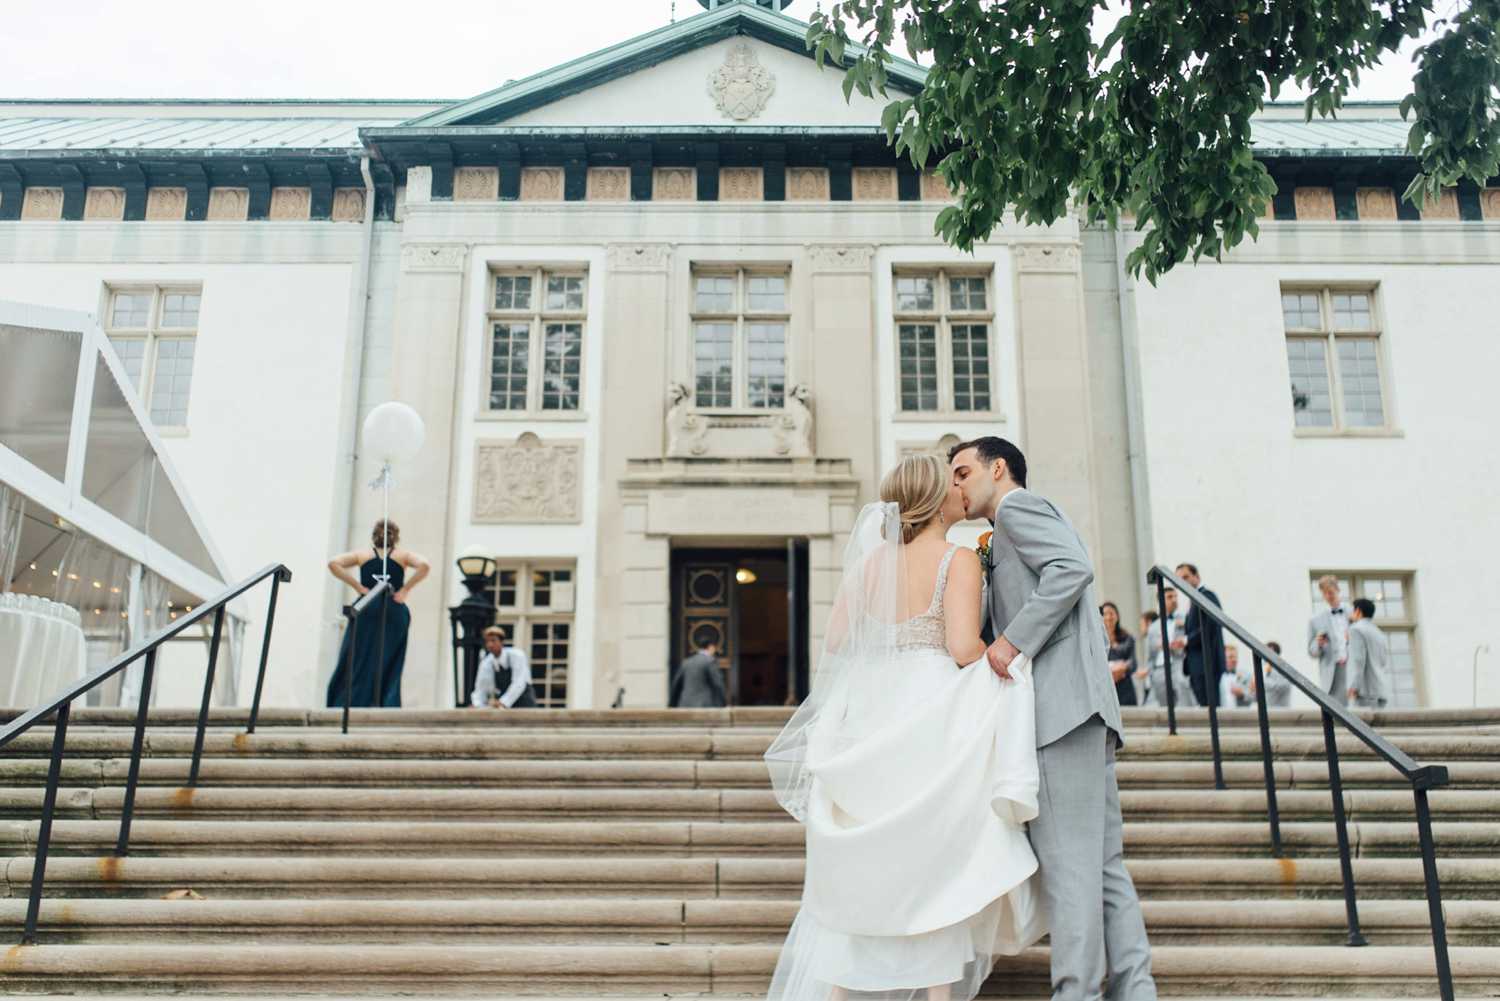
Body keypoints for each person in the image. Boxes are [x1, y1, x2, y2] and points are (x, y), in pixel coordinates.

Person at [763, 454, 1045, 1001]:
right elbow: (964, 647)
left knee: (871, 860)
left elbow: (841, 641)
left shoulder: (869, 565)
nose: (963, 489)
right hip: (930, 711)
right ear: (936, 499)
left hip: (871, 713)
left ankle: (842, 991)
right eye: (953, 483)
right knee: (932, 858)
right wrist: (1014, 658)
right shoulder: (957, 559)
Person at [951, 437, 1156, 1001]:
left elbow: (1072, 569)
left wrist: (1012, 642)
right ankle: (1136, 989)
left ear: (998, 468)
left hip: (1060, 714)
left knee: (1071, 872)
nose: (957, 486)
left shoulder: (1017, 507)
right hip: (1081, 710)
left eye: (964, 472)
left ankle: (1077, 993)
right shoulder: (1008, 526)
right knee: (1104, 867)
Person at [325, 519, 429, 708]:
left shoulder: (362, 555)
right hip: (390, 608)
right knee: (388, 658)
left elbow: (334, 563)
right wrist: (405, 590)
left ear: (374, 535)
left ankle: (354, 701)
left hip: (368, 607)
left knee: (358, 656)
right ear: (395, 536)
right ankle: (383, 702)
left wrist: (358, 586)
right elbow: (424, 565)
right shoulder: (402, 555)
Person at [1176, 563, 1226, 709]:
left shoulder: (1206, 595)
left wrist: (1186, 640)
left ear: (1196, 577)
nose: (1182, 582)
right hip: (1197, 664)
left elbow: (1210, 626)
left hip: (1207, 663)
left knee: (1211, 707)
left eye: (1186, 577)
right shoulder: (1192, 601)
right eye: (1178, 579)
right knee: (1204, 706)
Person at [1143, 588, 1193, 709]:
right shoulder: (1153, 627)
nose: (1174, 600)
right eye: (1170, 597)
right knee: (1164, 706)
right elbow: (1151, 655)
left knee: (1184, 702)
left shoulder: (1186, 619)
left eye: (1175, 597)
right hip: (1159, 668)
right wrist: (1150, 674)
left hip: (1179, 664)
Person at [1308, 575, 1351, 707]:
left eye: (1331, 592)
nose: (1329, 596)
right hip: (1332, 672)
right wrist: (1318, 644)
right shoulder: (1315, 620)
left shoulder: (1353, 613)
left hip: (1353, 667)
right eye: (1325, 593)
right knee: (1337, 712)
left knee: (1358, 713)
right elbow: (1311, 651)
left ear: (1338, 590)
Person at [470, 626, 538, 709]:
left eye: (493, 640)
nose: (490, 644)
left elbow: (519, 683)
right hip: (505, 707)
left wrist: (503, 702)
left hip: (525, 703)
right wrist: (477, 704)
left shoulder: (517, 655)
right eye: (487, 641)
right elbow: (481, 688)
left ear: (501, 641)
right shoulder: (486, 663)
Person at [1347, 599, 1393, 709]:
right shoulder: (1379, 632)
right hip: (1381, 690)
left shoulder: (1355, 630)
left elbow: (1358, 660)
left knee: (1359, 725)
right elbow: (1383, 661)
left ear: (1358, 611)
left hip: (1365, 692)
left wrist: (1353, 686)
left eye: (1352, 611)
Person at [1101, 601, 1138, 707]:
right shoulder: (1096, 641)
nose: (1108, 617)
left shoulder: (1127, 638)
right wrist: (1109, 671)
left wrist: (1122, 667)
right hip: (1105, 689)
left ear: (1117, 616)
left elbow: (1133, 663)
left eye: (1111, 613)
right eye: (1105, 614)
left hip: (1125, 688)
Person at [670, 641, 727, 709]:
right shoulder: (710, 661)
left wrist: (672, 704)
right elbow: (718, 684)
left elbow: (676, 685)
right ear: (711, 647)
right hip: (704, 706)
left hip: (685, 705)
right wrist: (723, 703)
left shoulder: (686, 662)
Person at [1255, 640, 1294, 708]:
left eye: (1269, 652)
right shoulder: (1262, 669)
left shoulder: (1284, 669)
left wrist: (1261, 683)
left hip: (1281, 712)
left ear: (1277, 654)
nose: (1266, 655)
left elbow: (1284, 685)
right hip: (1266, 711)